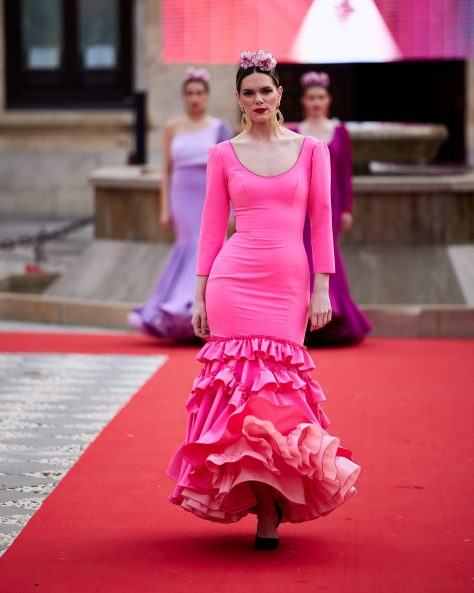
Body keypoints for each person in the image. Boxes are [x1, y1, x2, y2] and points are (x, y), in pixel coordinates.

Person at [167, 51, 361, 551]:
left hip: (289, 283)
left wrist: (322, 286)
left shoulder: (313, 149)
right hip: (233, 280)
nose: (258, 99)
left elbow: (322, 220)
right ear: (238, 98)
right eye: (249, 92)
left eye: (266, 91)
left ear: (280, 95)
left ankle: (276, 495)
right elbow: (211, 229)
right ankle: (265, 506)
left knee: (280, 398)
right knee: (238, 398)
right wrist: (199, 295)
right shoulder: (223, 154)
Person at [128, 67, 232, 340]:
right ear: (183, 97)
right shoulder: (172, 127)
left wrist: (231, 208)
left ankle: (199, 308)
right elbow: (166, 171)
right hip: (181, 193)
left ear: (207, 96)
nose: (195, 98)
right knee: (188, 245)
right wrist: (164, 208)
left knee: (205, 247)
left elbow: (230, 170)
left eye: (199, 93)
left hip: (209, 193)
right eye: (189, 93)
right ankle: (180, 308)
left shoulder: (218, 127)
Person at [291, 71, 371, 346]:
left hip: (332, 201)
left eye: (320, 97)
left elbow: (344, 172)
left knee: (327, 253)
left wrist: (346, 208)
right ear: (304, 101)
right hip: (303, 203)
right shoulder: (294, 132)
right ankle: (301, 316)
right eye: (311, 97)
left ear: (328, 100)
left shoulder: (339, 131)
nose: (316, 102)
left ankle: (335, 314)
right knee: (304, 253)